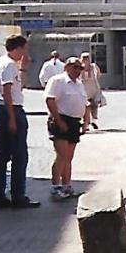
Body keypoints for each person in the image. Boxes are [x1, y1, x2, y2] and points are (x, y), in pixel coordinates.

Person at [0, 34, 40, 209]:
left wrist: (24, 68)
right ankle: (18, 196)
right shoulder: (8, 64)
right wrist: (12, 117)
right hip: (10, 110)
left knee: (2, 154)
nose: (25, 53)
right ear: (18, 48)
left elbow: (18, 88)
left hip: (2, 109)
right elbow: (7, 91)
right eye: (24, 49)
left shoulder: (2, 63)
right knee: (19, 155)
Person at [44, 56, 89, 200]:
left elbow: (84, 103)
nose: (78, 70)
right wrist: (58, 120)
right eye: (75, 67)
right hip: (61, 119)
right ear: (66, 67)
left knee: (69, 157)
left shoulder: (79, 84)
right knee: (61, 155)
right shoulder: (58, 81)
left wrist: (86, 121)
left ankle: (67, 186)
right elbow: (50, 100)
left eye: (80, 68)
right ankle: (55, 186)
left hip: (75, 122)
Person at [79, 52, 104, 130]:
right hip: (84, 90)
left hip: (94, 88)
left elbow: (98, 75)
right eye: (84, 58)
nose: (86, 60)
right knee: (86, 107)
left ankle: (94, 121)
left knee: (95, 105)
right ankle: (86, 123)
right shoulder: (79, 68)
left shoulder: (94, 67)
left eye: (87, 58)